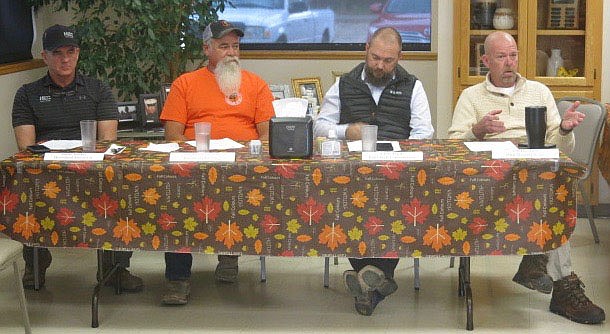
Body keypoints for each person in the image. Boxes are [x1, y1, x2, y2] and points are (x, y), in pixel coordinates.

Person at [448, 31, 605, 325]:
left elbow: (560, 148)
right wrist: (477, 131)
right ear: (486, 61)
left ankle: (562, 285)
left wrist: (566, 130)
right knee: (546, 190)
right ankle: (537, 260)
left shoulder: (539, 91)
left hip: (533, 171)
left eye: (514, 55)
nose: (509, 63)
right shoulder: (471, 96)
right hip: (489, 178)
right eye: (501, 57)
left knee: (555, 185)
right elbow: (454, 145)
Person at [11, 24, 144, 292]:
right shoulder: (27, 94)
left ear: (78, 54)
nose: (65, 59)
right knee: (22, 180)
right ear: (44, 56)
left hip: (92, 168)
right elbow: (27, 148)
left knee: (121, 184)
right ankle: (35, 259)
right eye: (57, 52)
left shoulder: (98, 89)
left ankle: (115, 266)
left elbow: (108, 143)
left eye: (71, 51)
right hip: (47, 172)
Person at [314, 27, 434, 316]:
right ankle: (376, 280)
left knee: (397, 208)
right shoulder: (344, 84)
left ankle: (366, 281)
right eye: (375, 57)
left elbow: (425, 134)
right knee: (344, 206)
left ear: (399, 58)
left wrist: (402, 152)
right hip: (352, 172)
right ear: (366, 49)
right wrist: (346, 131)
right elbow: (319, 126)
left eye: (388, 61)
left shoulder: (413, 86)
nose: (380, 65)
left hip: (396, 173)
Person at [159, 20, 275, 305]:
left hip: (241, 166)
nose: (231, 52)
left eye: (235, 46)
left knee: (239, 188)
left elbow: (268, 136)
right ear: (207, 48)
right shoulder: (185, 83)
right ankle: (178, 277)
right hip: (194, 165)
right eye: (224, 46)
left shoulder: (256, 84)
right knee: (175, 198)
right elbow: (172, 136)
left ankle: (229, 255)